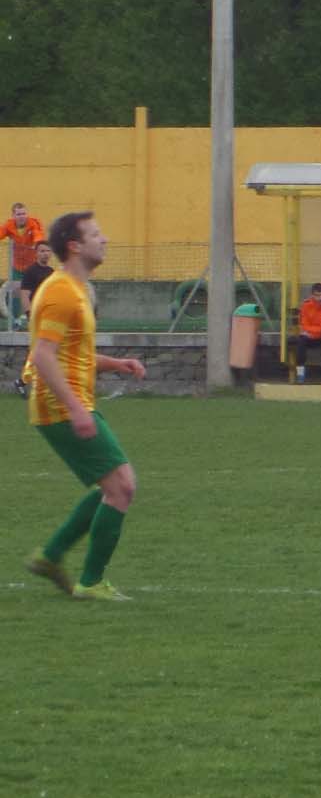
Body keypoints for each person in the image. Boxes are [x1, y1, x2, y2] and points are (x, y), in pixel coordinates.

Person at [19, 210, 150, 602]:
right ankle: (90, 582)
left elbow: (72, 355)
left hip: (69, 401)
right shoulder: (60, 291)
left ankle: (51, 555)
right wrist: (76, 408)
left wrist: (117, 364)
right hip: (59, 405)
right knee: (122, 487)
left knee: (113, 485)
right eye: (96, 234)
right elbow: (43, 356)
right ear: (74, 246)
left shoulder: (77, 289)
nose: (104, 239)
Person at [5, 201, 42, 326]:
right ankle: (16, 320)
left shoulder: (33, 224)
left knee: (33, 292)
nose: (22, 216)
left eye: (24, 213)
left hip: (31, 266)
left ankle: (32, 318)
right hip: (17, 266)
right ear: (13, 216)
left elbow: (38, 235)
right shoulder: (9, 226)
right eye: (19, 214)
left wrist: (37, 243)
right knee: (16, 293)